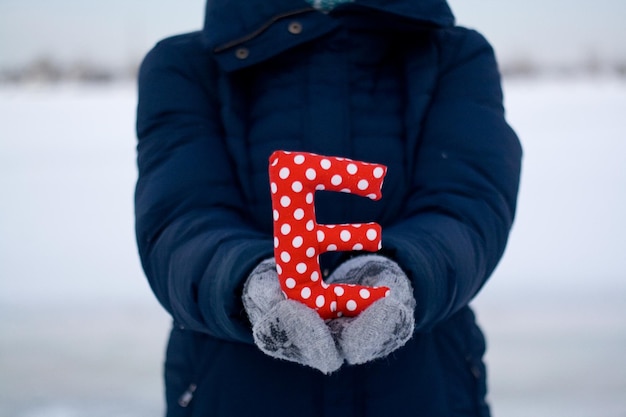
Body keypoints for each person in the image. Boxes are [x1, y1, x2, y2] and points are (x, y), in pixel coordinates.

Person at [134, 0, 522, 415]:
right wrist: (249, 283)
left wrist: (404, 272)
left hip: (423, 387)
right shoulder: (186, 66)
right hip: (233, 390)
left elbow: (467, 206)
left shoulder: (453, 54)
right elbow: (181, 221)